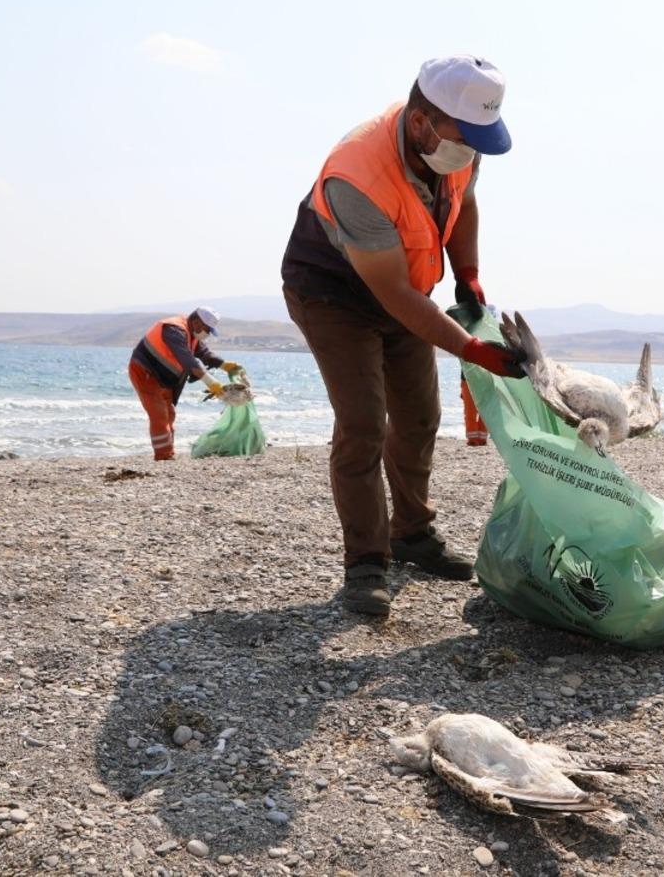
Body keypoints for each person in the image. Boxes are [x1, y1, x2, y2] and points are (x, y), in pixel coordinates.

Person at [280, 54, 526, 617]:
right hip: (333, 295)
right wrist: (471, 349)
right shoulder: (356, 176)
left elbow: (464, 206)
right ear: (421, 122)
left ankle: (411, 532)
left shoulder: (457, 147)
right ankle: (366, 561)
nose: (472, 152)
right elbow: (392, 295)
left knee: (419, 415)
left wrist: (467, 272)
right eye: (465, 140)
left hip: (403, 287)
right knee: (364, 423)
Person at [128, 307, 243, 460]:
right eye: (207, 329)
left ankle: (167, 453)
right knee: (159, 415)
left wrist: (225, 365)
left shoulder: (191, 334)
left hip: (163, 377)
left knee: (169, 414)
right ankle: (164, 456)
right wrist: (212, 384)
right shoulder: (173, 330)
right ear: (196, 322)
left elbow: (205, 354)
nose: (207, 334)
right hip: (145, 372)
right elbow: (188, 361)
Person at [461, 373, 489, 446]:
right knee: (484, 411)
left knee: (471, 411)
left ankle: (473, 439)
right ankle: (480, 439)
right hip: (483, 379)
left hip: (469, 379)